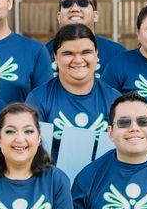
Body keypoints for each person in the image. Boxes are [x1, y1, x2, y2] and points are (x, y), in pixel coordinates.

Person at [26, 23, 122, 160]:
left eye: (86, 52)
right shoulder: (38, 98)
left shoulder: (114, 100)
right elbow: (30, 150)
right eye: (68, 53)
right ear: (55, 58)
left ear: (97, 55)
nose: (78, 60)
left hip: (103, 178)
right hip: (53, 178)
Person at [45, 0, 126, 76]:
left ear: (95, 16)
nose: (74, 8)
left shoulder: (117, 54)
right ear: (59, 17)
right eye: (67, 4)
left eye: (83, 3)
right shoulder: (44, 53)